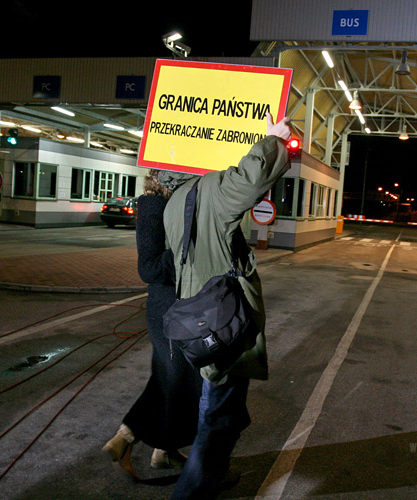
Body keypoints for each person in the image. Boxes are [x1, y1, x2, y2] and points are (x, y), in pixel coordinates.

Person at [160, 113, 292, 499]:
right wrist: (272, 140)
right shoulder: (208, 190)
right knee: (218, 416)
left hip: (198, 319)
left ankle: (214, 473)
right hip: (224, 320)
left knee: (222, 408)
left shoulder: (176, 200)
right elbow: (251, 180)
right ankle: (193, 490)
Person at [102, 170, 202, 478]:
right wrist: (185, 251)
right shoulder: (152, 207)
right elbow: (147, 268)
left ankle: (146, 446)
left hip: (180, 309)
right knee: (181, 382)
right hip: (168, 312)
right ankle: (137, 440)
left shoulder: (176, 205)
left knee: (168, 379)